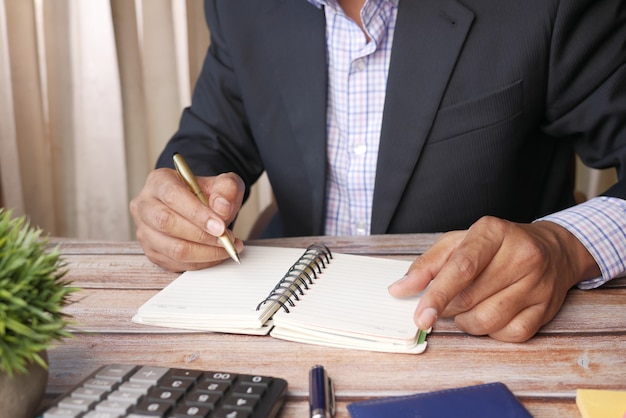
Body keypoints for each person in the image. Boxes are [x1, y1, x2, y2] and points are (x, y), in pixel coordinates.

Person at [130, 0, 626, 343]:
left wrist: (566, 248)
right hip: (283, 319)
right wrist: (178, 205)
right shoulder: (240, 7)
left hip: (476, 329)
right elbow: (208, 144)